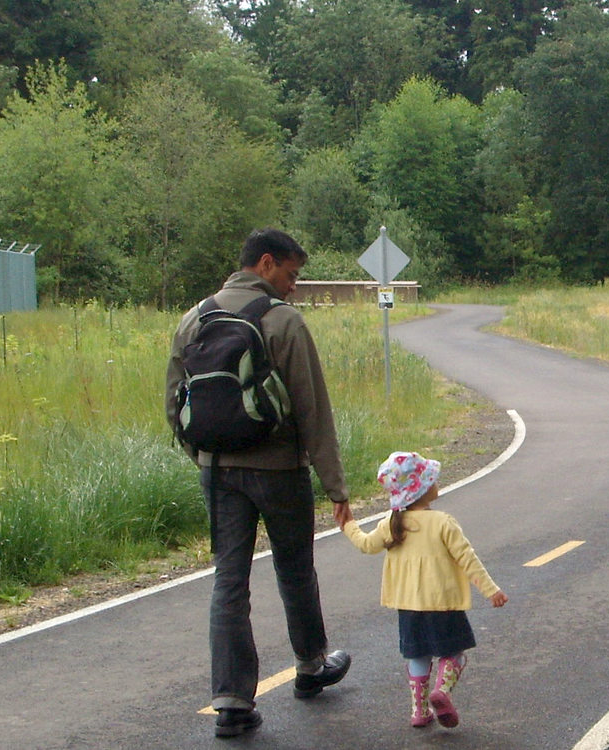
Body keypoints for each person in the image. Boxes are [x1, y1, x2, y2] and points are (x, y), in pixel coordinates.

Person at [165, 228, 354, 738]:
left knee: (229, 581)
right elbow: (313, 409)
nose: (294, 286)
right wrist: (335, 486)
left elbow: (173, 402)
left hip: (217, 470)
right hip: (280, 471)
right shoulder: (283, 321)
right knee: (295, 568)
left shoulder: (194, 318)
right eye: (291, 275)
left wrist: (206, 456)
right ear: (266, 264)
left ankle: (232, 701)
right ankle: (312, 665)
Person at [341, 451, 508, 729]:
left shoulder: (392, 524)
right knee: (453, 654)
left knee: (417, 656)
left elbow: (366, 545)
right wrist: (491, 591)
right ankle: (441, 691)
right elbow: (468, 559)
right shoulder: (443, 522)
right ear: (422, 489)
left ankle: (419, 712)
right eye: (432, 479)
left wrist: (347, 524)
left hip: (408, 607)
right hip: (443, 604)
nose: (436, 482)